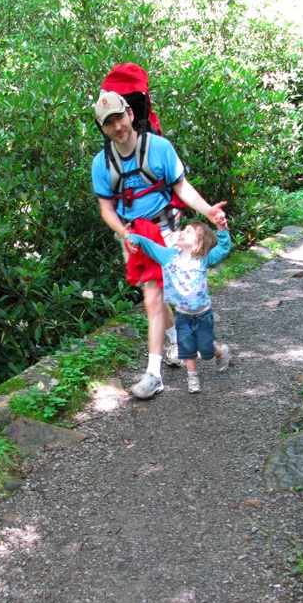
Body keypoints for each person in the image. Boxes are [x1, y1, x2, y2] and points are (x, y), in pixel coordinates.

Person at [91, 90, 227, 399]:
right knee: (161, 299)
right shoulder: (102, 164)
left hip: (167, 230)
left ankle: (154, 375)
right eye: (108, 123)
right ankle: (197, 347)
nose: (117, 127)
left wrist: (208, 211)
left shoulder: (160, 148)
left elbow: (181, 186)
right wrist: (124, 234)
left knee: (154, 298)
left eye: (119, 117)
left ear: (130, 114)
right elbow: (106, 209)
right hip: (134, 236)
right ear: (103, 128)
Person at [125, 214, 231, 395]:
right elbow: (150, 246)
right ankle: (192, 376)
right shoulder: (168, 256)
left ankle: (220, 352)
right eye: (183, 229)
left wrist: (222, 229)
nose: (182, 232)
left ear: (198, 244)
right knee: (187, 349)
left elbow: (223, 248)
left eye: (189, 232)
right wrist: (132, 238)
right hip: (182, 315)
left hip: (203, 314)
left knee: (206, 348)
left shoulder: (204, 259)